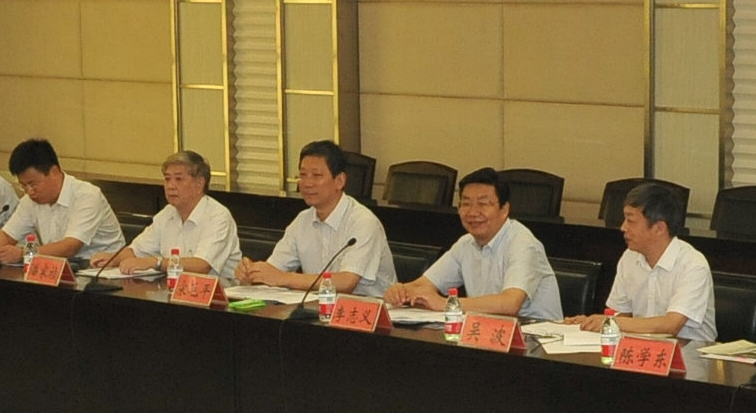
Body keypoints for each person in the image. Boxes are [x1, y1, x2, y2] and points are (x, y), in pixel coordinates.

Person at [385, 169, 559, 321]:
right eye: (466, 204)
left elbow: (510, 303)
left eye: (483, 204)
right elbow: (423, 286)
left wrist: (446, 304)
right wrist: (400, 291)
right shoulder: (466, 243)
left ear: (504, 210)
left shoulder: (523, 243)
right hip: (486, 333)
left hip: (537, 337)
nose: (473, 212)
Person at [234, 140, 392, 301]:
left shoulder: (363, 222)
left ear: (340, 181)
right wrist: (252, 273)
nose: (307, 183)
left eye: (317, 176)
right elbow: (274, 269)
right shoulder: (303, 220)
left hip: (367, 310)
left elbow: (346, 282)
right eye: (303, 175)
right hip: (319, 307)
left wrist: (284, 278)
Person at [570, 179, 713, 344]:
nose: (623, 227)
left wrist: (610, 322)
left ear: (659, 228)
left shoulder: (693, 264)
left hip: (690, 354)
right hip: (642, 350)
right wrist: (591, 323)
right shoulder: (629, 257)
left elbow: (671, 325)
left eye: (631, 221)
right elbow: (619, 314)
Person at [0, 139, 121, 264]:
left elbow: (70, 246)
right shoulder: (29, 200)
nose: (29, 191)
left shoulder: (87, 195)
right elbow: (7, 236)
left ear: (54, 172)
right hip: (59, 268)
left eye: (33, 184)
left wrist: (24, 253)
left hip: (101, 270)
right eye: (23, 186)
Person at [106, 151, 241, 279]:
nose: (170, 186)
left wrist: (156, 262)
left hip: (218, 292)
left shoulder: (218, 216)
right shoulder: (167, 213)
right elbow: (136, 251)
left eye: (179, 179)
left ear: (199, 184)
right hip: (174, 289)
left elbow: (202, 265)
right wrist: (111, 260)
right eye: (167, 179)